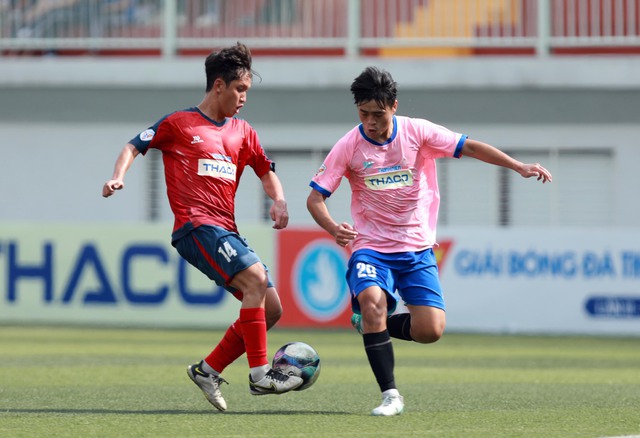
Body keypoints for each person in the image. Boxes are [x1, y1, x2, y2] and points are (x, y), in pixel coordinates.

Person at [306, 66, 552, 417]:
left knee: (430, 330)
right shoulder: (348, 146)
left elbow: (471, 147)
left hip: (416, 246)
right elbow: (315, 199)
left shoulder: (417, 132)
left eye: (378, 114)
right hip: (371, 246)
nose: (371, 122)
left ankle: (371, 326)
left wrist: (518, 166)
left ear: (394, 105)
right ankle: (390, 395)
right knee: (373, 301)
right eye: (364, 114)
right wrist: (332, 228)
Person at [102, 42, 303, 412]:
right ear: (218, 87)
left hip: (225, 228)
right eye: (239, 90)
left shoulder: (243, 132)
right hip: (195, 227)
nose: (244, 98)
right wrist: (118, 177)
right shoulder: (179, 124)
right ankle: (260, 374)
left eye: (247, 91)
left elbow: (265, 170)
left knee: (271, 308)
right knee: (256, 279)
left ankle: (207, 370)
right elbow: (133, 145)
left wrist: (279, 199)